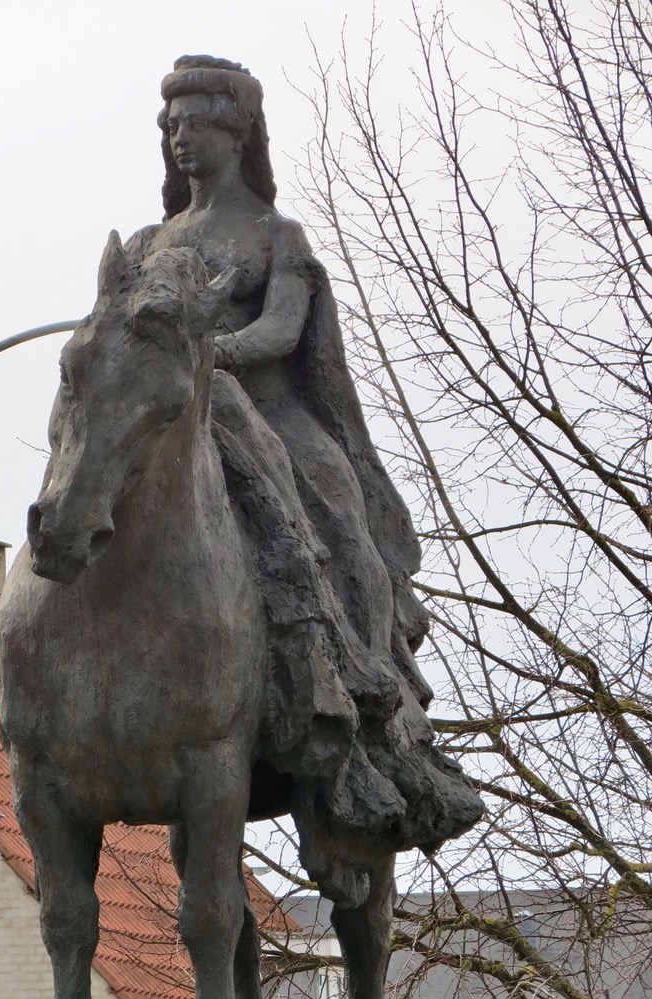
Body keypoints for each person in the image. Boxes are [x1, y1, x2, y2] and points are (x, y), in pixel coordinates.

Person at [125, 56, 482, 859]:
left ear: (238, 132)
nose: (183, 140)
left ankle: (366, 695)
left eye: (199, 125)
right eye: (173, 127)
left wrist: (203, 351)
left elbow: (281, 332)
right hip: (183, 417)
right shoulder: (149, 242)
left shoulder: (275, 236)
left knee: (346, 542)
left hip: (278, 418)